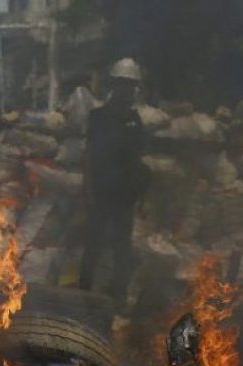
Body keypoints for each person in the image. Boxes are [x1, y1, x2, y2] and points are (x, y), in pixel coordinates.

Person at [79, 58, 148, 317]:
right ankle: (83, 295)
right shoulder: (98, 117)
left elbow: (138, 161)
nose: (127, 91)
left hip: (125, 197)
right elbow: (88, 155)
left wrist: (140, 195)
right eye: (123, 85)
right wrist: (88, 189)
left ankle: (118, 302)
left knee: (122, 250)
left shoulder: (135, 120)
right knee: (93, 247)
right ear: (114, 86)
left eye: (131, 87)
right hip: (100, 193)